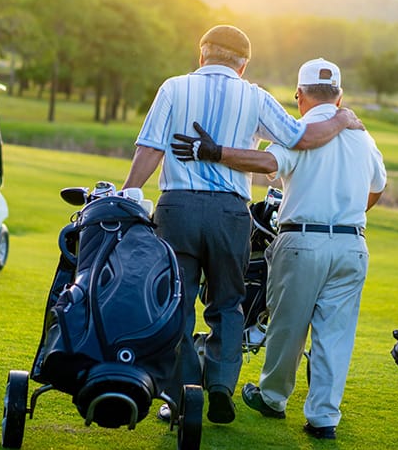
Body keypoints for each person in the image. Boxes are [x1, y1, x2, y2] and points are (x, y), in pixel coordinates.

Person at [122, 26, 360, 425]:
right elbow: (301, 138)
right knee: (228, 304)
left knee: (175, 304)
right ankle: (219, 385)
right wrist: (340, 120)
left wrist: (129, 191)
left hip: (177, 209)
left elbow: (151, 147)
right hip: (231, 214)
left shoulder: (174, 88)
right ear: (243, 64)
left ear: (202, 56)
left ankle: (182, 395)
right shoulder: (254, 95)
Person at [172, 58, 386, 440]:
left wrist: (215, 152)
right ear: (340, 96)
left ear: (299, 95)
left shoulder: (299, 131)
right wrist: (349, 212)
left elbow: (266, 161)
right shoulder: (363, 137)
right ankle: (323, 418)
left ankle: (272, 397)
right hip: (353, 244)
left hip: (302, 240)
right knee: (335, 334)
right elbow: (378, 187)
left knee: (288, 327)